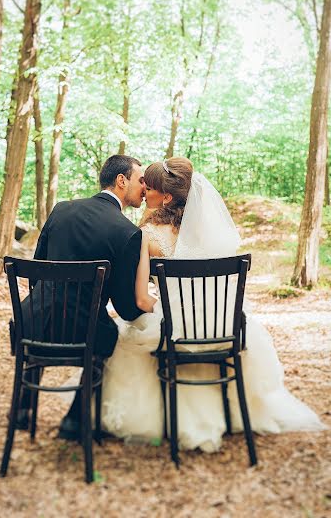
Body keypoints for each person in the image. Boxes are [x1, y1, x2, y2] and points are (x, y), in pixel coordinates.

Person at [101, 157, 325, 451]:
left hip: (176, 330)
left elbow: (142, 299)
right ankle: (227, 414)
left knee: (124, 337)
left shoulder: (146, 235)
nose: (144, 190)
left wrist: (158, 306)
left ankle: (169, 418)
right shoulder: (205, 231)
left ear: (166, 197)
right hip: (220, 325)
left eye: (150, 186)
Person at [18, 155, 146, 439]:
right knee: (107, 333)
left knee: (51, 314)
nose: (145, 188)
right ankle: (74, 421)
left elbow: (37, 272)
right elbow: (126, 308)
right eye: (141, 180)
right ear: (121, 180)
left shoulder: (61, 210)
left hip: (31, 322)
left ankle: (22, 408)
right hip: (82, 332)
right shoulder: (127, 233)